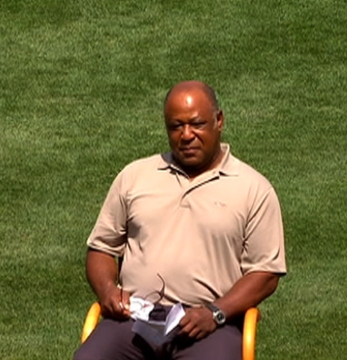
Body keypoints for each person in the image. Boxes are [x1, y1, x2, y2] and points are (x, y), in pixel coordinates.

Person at [74, 80, 286, 360]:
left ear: (219, 121)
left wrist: (216, 312)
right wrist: (108, 291)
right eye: (176, 126)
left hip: (208, 326)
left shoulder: (253, 189)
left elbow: (266, 274)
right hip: (134, 319)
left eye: (197, 124)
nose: (186, 135)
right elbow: (102, 247)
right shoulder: (135, 176)